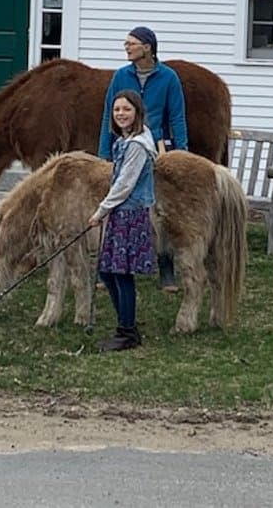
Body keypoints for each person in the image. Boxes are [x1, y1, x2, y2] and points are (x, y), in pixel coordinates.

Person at [97, 26, 188, 290]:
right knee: (117, 205)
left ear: (147, 47)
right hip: (124, 147)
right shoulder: (121, 76)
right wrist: (104, 154)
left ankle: (166, 266)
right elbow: (109, 114)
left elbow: (177, 117)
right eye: (126, 43)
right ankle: (107, 266)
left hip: (155, 149)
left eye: (131, 43)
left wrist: (181, 153)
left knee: (159, 208)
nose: (126, 47)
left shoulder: (168, 77)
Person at [89, 89, 157, 352]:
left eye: (127, 109)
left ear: (137, 112)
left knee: (121, 273)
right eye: (117, 109)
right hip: (120, 213)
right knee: (107, 272)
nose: (121, 114)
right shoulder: (125, 140)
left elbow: (125, 184)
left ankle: (127, 332)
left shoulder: (138, 145)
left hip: (130, 214)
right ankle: (126, 323)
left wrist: (101, 211)